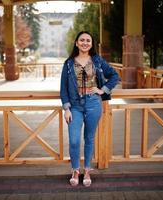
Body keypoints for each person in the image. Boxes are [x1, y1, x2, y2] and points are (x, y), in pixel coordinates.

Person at [60, 31, 119, 187]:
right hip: (75, 106)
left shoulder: (97, 61)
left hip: (93, 103)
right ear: (77, 43)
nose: (85, 42)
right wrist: (66, 108)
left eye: (88, 40)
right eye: (82, 40)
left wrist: (103, 89)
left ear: (91, 44)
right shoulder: (68, 63)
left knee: (89, 138)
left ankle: (86, 170)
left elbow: (114, 75)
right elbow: (63, 88)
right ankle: (75, 170)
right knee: (74, 141)